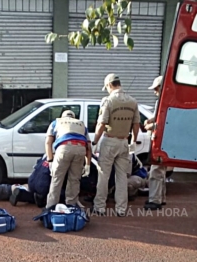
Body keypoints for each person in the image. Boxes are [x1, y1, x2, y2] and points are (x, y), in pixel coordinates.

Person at [91, 73, 140, 217]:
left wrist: (95, 141)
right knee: (121, 177)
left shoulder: (108, 101)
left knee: (103, 175)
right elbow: (136, 124)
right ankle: (121, 208)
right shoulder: (133, 101)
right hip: (124, 141)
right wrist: (133, 141)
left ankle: (100, 206)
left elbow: (102, 123)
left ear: (109, 85)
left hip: (109, 140)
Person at [45, 110, 92, 209]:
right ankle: (71, 205)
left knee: (57, 179)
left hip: (64, 148)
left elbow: (48, 143)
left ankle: (51, 206)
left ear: (62, 117)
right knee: (74, 180)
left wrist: (50, 160)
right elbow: (89, 146)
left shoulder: (56, 122)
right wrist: (87, 164)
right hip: (81, 149)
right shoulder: (82, 125)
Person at [143, 76, 172, 210]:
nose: (155, 92)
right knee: (161, 170)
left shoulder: (165, 101)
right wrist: (151, 120)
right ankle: (161, 198)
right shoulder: (169, 100)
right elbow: (161, 118)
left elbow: (165, 123)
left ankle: (154, 200)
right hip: (166, 140)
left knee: (155, 171)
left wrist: (151, 126)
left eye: (156, 88)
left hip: (161, 140)